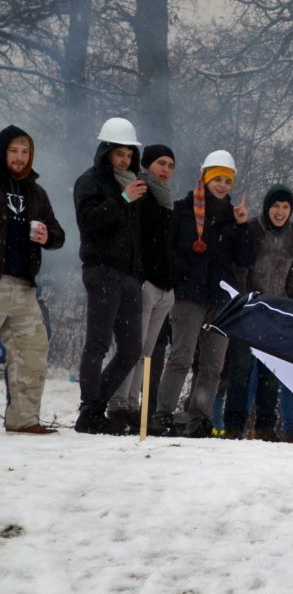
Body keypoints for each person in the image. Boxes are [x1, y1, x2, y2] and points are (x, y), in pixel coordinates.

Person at [156, 149, 254, 438]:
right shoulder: (184, 209)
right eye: (217, 179)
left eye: (227, 180)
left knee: (213, 365)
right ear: (205, 178)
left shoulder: (232, 218)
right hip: (189, 296)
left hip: (221, 300)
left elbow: (245, 259)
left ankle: (198, 417)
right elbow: (169, 249)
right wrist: (183, 273)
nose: (222, 185)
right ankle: (163, 414)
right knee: (182, 358)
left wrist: (243, 226)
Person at [72, 118, 148, 435]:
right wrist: (123, 199)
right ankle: (90, 410)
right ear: (105, 152)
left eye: (129, 155)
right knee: (98, 343)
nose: (125, 161)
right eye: (119, 154)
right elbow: (89, 221)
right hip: (101, 270)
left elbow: (137, 235)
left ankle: (94, 407)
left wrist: (139, 270)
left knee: (131, 349)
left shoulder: (132, 184)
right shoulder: (89, 182)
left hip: (129, 275)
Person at [218, 184, 293, 440]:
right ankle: (234, 425)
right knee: (242, 368)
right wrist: (245, 301)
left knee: (271, 372)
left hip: (278, 313)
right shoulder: (253, 229)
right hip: (249, 310)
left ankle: (266, 426)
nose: (280, 212)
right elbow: (242, 267)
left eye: (285, 207)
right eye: (275, 206)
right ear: (267, 207)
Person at [0, 125, 66, 434]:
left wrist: (46, 236)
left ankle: (23, 420)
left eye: (24, 151)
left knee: (32, 349)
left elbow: (58, 235)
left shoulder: (36, 192)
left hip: (24, 285)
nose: (19, 157)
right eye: (13, 150)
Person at [106, 144, 177, 428]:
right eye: (161, 163)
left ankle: (131, 403)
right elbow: (136, 238)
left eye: (171, 165)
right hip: (144, 281)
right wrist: (142, 275)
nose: (166, 170)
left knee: (146, 351)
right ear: (147, 165)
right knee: (130, 346)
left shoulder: (166, 199)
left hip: (165, 285)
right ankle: (116, 401)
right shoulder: (140, 193)